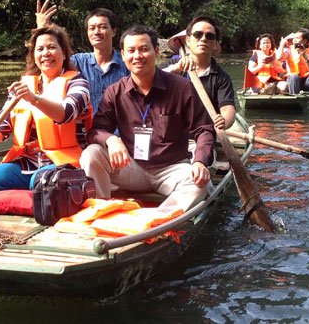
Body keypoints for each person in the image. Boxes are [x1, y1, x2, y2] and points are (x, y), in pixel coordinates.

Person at [80, 25, 215, 213]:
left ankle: (158, 220)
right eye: (131, 51)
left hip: (171, 169)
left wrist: (200, 161)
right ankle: (102, 209)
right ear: (123, 55)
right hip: (132, 167)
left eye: (144, 49)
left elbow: (204, 129)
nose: (137, 56)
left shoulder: (182, 88)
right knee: (91, 154)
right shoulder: (115, 92)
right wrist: (111, 139)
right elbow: (95, 131)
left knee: (200, 183)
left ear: (156, 51)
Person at [0, 25, 92, 194]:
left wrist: (34, 99)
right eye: (40, 49)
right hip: (29, 162)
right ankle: (36, 196)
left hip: (65, 163)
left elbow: (66, 113)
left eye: (51, 47)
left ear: (64, 53)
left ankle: (41, 195)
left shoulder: (78, 83)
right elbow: (1, 127)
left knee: (41, 182)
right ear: (34, 56)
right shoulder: (25, 86)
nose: (45, 53)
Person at [36, 0, 127, 113]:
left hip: (118, 130)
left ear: (114, 31)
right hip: (85, 129)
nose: (96, 32)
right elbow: (49, 63)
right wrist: (42, 29)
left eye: (102, 27)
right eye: (92, 28)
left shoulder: (127, 63)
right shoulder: (77, 62)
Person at [164, 16, 237, 130]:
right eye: (198, 34)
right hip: (170, 130)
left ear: (215, 44)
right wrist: (177, 68)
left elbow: (228, 109)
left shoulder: (221, 78)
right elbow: (149, 80)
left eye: (210, 36)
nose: (203, 39)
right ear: (188, 40)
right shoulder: (172, 65)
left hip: (202, 132)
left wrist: (223, 121)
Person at [278, 29, 309, 94]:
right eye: (294, 38)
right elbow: (278, 58)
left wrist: (304, 56)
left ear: (304, 41)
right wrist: (281, 45)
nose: (294, 40)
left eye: (297, 38)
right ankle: (294, 98)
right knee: (293, 76)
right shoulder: (289, 51)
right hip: (293, 81)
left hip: (307, 82)